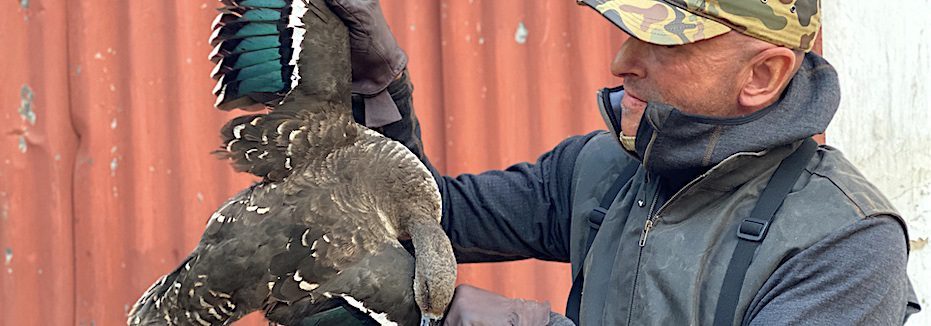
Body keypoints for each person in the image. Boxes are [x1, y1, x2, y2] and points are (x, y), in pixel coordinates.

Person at [313, 0, 922, 324]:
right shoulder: (601, 169)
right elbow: (427, 223)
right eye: (629, 28)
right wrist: (377, 85)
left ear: (761, 75)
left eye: (662, 40)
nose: (621, 61)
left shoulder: (845, 245)